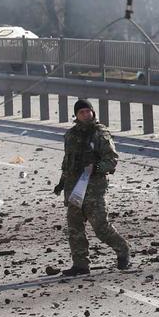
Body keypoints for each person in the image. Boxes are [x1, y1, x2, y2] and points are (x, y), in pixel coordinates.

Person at [53, 99, 131, 276]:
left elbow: (111, 160)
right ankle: (80, 264)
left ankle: (122, 249)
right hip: (74, 188)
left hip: (94, 188)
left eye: (88, 111)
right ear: (76, 115)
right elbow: (67, 162)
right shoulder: (71, 136)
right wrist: (62, 182)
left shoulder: (100, 134)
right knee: (74, 228)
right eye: (82, 112)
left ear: (93, 113)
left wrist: (96, 168)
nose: (86, 115)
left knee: (100, 226)